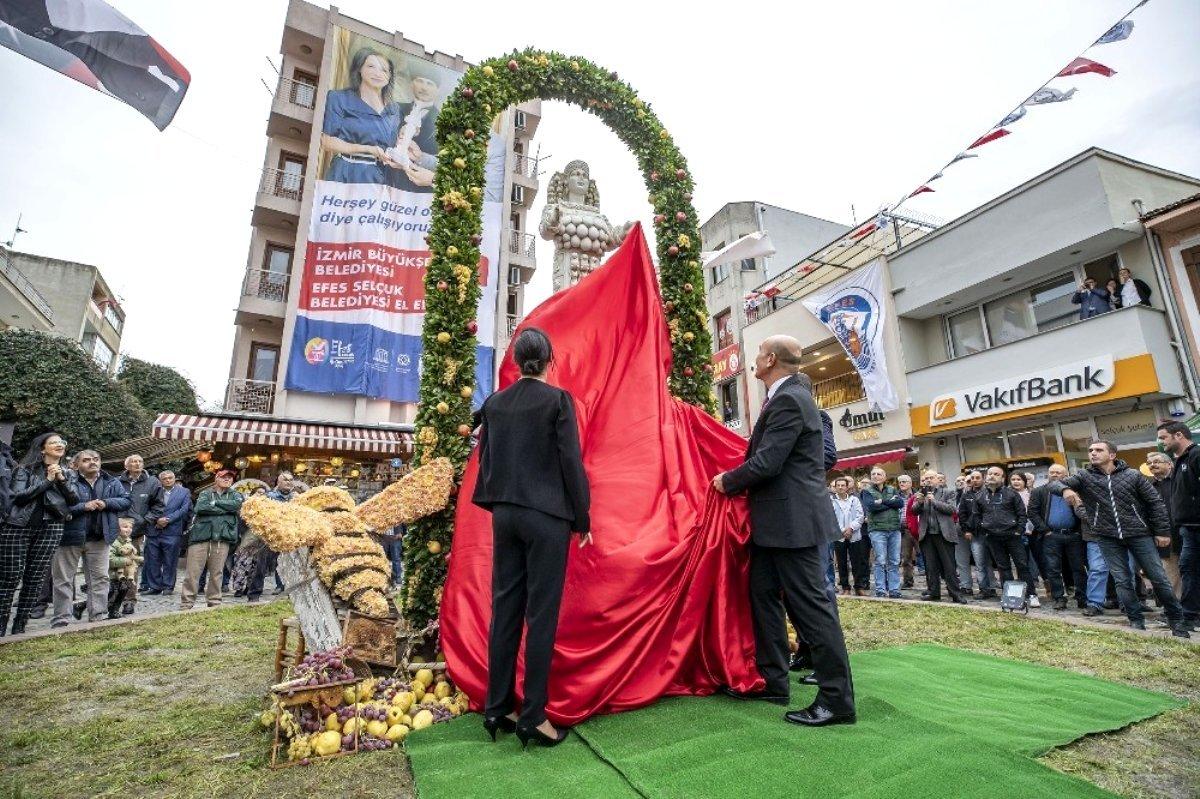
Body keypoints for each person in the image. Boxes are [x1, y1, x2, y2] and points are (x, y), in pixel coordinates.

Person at [714, 335, 855, 728]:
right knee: (763, 598)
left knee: (813, 612)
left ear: (771, 359)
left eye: (758, 354)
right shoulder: (784, 398)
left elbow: (768, 462)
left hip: (794, 525)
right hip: (775, 526)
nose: (754, 360)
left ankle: (836, 699)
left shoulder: (790, 399)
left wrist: (727, 480)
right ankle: (773, 680)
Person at [471, 328, 592, 747]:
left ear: (517, 361)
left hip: (505, 515)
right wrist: (583, 519)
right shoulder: (558, 401)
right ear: (549, 360)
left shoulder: (495, 403)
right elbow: (570, 463)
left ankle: (497, 707)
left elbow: (485, 460)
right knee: (540, 615)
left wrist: (500, 504)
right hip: (547, 518)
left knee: (505, 609)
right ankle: (533, 716)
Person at [1053, 440, 1189, 637]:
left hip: (1139, 534)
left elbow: (1155, 503)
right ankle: (1135, 622)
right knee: (1122, 580)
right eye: (1090, 450)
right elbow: (1054, 484)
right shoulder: (1084, 477)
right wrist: (1065, 489)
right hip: (1107, 536)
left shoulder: (1133, 475)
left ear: (1112, 455)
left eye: (1098, 450)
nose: (1093, 453)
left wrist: (1162, 532)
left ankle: (1176, 620)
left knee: (1158, 577)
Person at [0, 432, 78, 635]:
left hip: (51, 528)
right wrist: (47, 480)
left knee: (35, 579)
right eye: (54, 442)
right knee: (10, 577)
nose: (60, 445)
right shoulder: (24, 470)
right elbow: (18, 497)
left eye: (62, 442)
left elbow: (73, 500)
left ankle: (19, 627)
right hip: (17, 527)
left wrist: (60, 479)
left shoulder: (68, 473)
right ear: (43, 449)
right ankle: (1, 627)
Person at [51, 449, 130, 627]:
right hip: (70, 537)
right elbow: (57, 506)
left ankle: (98, 617)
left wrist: (107, 503)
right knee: (63, 580)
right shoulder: (67, 480)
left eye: (96, 459)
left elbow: (126, 501)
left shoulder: (111, 481)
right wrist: (83, 507)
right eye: (86, 460)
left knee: (100, 579)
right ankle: (61, 620)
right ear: (77, 464)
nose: (92, 462)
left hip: (100, 538)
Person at [320, 47, 402, 185]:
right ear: (359, 69)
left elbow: (393, 145)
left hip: (380, 178)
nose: (378, 73)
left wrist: (405, 141)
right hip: (346, 172)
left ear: (389, 77)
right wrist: (367, 149)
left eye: (384, 70)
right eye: (371, 66)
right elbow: (327, 141)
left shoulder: (394, 110)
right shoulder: (339, 98)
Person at [971, 467, 1040, 606]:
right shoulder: (979, 496)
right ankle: (1008, 597)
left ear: (1002, 478)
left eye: (996, 474)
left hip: (1012, 536)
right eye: (990, 474)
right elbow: (976, 516)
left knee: (1022, 566)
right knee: (1003, 568)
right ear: (986, 477)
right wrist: (984, 530)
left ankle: (1031, 595)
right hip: (992, 537)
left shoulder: (1012, 494)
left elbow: (1022, 514)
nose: (992, 476)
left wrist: (1018, 531)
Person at [1155, 422, 1199, 631]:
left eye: (1164, 437)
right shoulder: (1179, 461)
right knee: (1188, 569)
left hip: (1196, 525)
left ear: (1178, 435)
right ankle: (1190, 616)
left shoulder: (1196, 456)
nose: (1161, 442)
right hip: (1187, 529)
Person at [179, 469, 244, 610]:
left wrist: (215, 503)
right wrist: (224, 508)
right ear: (216, 479)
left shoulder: (236, 495)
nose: (227, 480)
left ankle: (214, 602)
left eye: (229, 478)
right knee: (192, 572)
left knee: (217, 573)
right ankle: (186, 603)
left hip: (222, 538)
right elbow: (200, 507)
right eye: (223, 477)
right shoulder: (205, 493)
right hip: (200, 537)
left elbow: (236, 506)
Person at [1028, 463, 1089, 612]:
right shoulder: (1039, 491)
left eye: (1058, 472)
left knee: (1078, 568)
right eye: (1051, 472)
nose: (1054, 475)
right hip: (1051, 536)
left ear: (1066, 475)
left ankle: (1082, 598)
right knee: (1053, 569)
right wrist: (1045, 530)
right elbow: (1032, 512)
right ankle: (1059, 598)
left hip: (1073, 535)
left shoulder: (1074, 491)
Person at [912, 470, 966, 603]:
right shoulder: (920, 494)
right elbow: (913, 511)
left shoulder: (948, 492)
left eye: (931, 478)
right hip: (927, 535)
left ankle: (955, 594)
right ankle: (933, 592)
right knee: (931, 567)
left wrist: (934, 501)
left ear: (937, 479)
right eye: (926, 479)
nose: (928, 480)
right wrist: (919, 502)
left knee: (949, 567)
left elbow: (952, 510)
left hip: (944, 534)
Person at [388, 63, 443, 193]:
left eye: (430, 83)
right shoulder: (395, 108)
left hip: (423, 193)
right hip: (390, 185)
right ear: (411, 83)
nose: (424, 87)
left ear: (438, 90)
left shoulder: (446, 122)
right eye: (419, 81)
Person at [121, 455, 164, 612]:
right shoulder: (117, 481)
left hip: (136, 532)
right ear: (127, 465)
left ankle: (129, 600)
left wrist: (145, 520)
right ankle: (112, 598)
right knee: (112, 566)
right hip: (116, 532)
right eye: (133, 461)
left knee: (131, 567)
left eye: (139, 461)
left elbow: (159, 506)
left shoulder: (152, 482)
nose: (137, 463)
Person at [142, 470, 192, 595]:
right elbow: (145, 507)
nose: (168, 480)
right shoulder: (154, 490)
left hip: (172, 531)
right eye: (165, 478)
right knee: (153, 560)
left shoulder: (184, 492)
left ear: (174, 478)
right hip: (153, 529)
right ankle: (154, 586)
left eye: (170, 478)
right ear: (160, 480)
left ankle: (168, 586)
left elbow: (184, 509)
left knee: (170, 561)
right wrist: (156, 520)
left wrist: (168, 520)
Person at [860, 466, 904, 599]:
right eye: (873, 474)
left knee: (894, 561)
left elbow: (900, 503)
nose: (875, 476)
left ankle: (894, 589)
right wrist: (890, 503)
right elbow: (872, 507)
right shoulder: (866, 491)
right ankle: (880, 589)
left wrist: (882, 502)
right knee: (880, 560)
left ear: (884, 477)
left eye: (879, 474)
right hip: (877, 530)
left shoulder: (892, 489)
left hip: (894, 530)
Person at [1146, 452, 1182, 596]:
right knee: (1169, 573)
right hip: (1163, 538)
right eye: (1149, 463)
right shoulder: (1147, 486)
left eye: (1156, 461)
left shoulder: (1180, 481)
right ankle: (1175, 608)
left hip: (1186, 533)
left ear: (1169, 464)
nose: (1152, 465)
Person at [957, 470, 996, 598]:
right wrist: (966, 530)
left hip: (991, 532)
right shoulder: (966, 495)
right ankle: (984, 589)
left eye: (977, 477)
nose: (974, 480)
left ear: (983, 479)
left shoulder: (989, 493)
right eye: (972, 478)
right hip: (975, 533)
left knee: (989, 562)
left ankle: (992, 587)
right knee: (980, 563)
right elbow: (962, 514)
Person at [830, 477, 865, 597]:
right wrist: (842, 530)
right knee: (841, 562)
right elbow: (831, 518)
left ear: (847, 487)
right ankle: (845, 587)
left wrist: (851, 528)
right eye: (838, 485)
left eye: (842, 485)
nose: (840, 487)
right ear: (835, 487)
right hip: (839, 536)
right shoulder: (832, 501)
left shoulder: (854, 500)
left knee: (857, 562)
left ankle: (859, 587)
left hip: (854, 535)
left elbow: (860, 516)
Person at [102, 518, 142, 618]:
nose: (128, 529)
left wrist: (137, 559)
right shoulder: (114, 542)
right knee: (110, 594)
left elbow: (131, 556)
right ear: (117, 528)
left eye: (130, 527)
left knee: (123, 590)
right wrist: (125, 561)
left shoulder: (128, 541)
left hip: (123, 575)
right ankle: (82, 606)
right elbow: (110, 560)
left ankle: (114, 611)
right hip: (113, 574)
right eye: (125, 527)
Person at [896, 474, 918, 589]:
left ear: (910, 483)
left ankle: (932, 582)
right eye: (900, 482)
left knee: (924, 556)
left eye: (904, 481)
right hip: (904, 530)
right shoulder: (896, 497)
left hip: (918, 529)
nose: (902, 484)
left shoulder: (917, 496)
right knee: (906, 558)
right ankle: (908, 581)